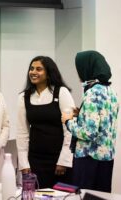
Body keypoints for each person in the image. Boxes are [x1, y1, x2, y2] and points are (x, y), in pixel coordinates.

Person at [62, 50, 119, 192]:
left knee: (85, 196)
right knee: (101, 196)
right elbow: (104, 122)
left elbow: (89, 132)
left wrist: (68, 121)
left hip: (89, 158)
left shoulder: (92, 93)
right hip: (106, 158)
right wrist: (81, 114)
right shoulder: (111, 92)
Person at [16, 56, 75, 189]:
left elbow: (70, 130)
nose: (33, 72)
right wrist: (24, 164)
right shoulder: (23, 97)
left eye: (39, 69)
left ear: (49, 73)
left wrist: (64, 160)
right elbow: (22, 133)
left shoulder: (61, 92)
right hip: (35, 160)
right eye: (31, 68)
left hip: (58, 160)